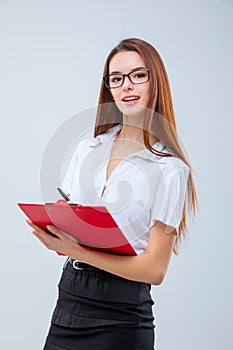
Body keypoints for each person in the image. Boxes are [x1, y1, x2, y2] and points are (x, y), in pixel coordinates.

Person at [26, 38, 198, 350]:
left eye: (138, 75)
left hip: (122, 313)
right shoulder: (88, 147)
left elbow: (155, 270)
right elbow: (72, 235)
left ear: (155, 81)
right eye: (116, 78)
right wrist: (59, 230)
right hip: (70, 298)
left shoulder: (170, 169)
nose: (126, 86)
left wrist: (77, 251)